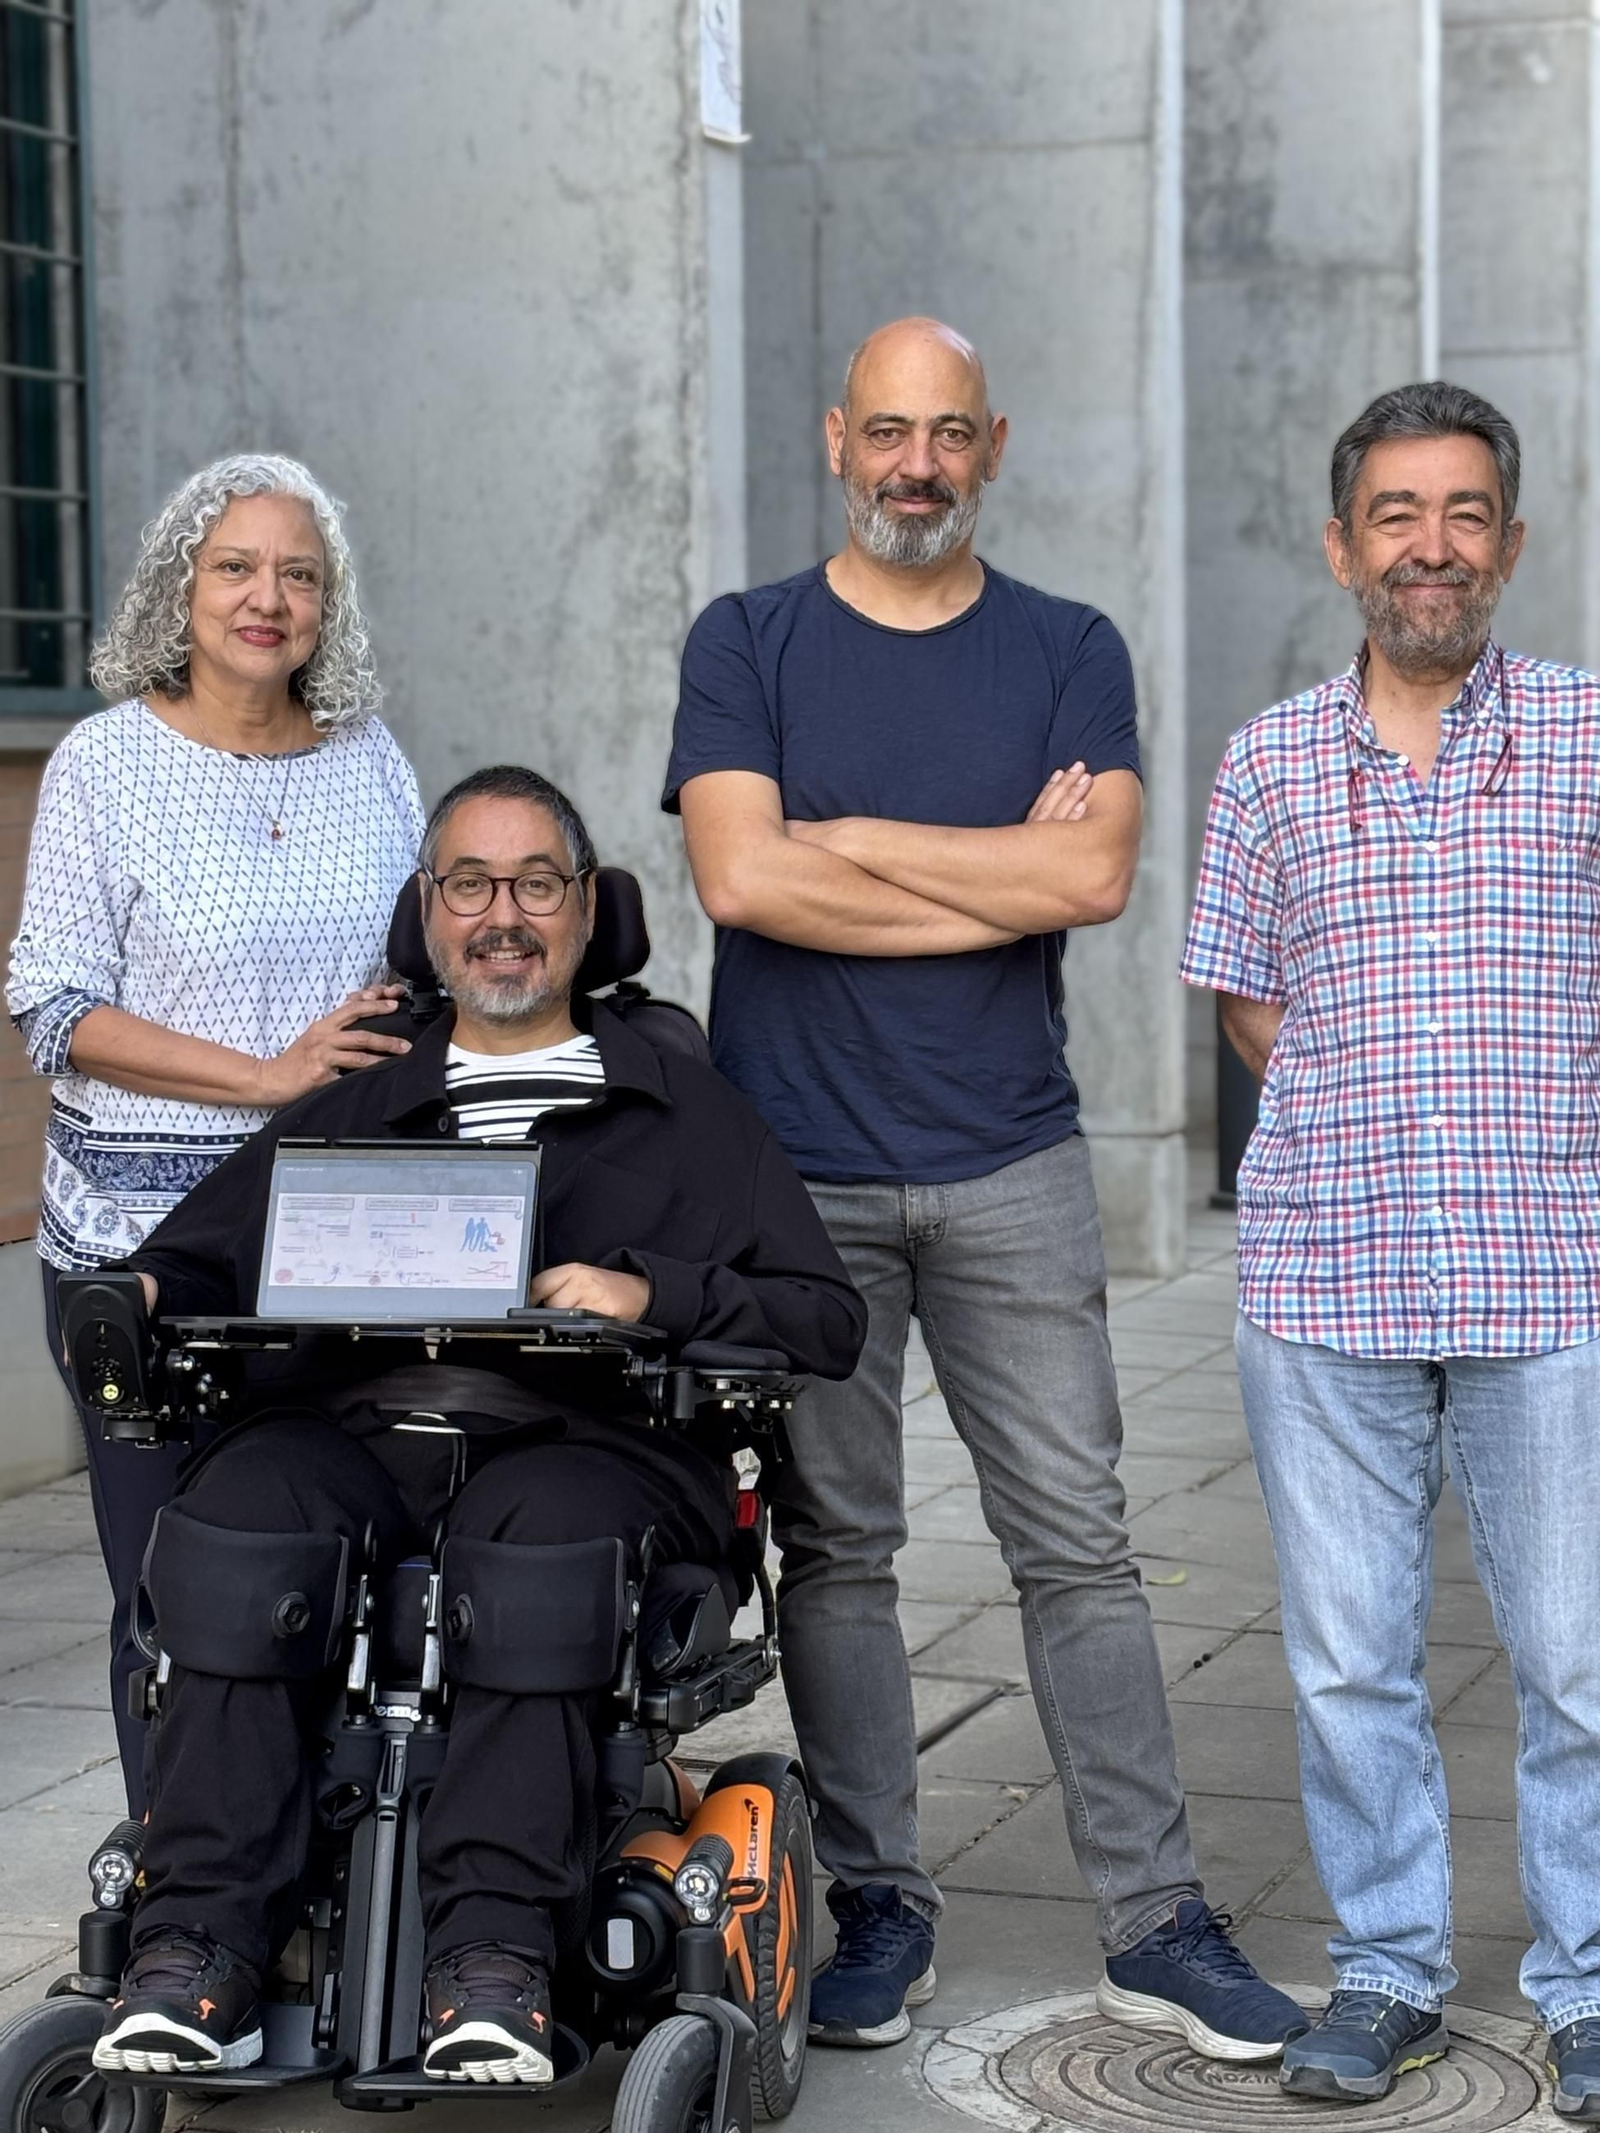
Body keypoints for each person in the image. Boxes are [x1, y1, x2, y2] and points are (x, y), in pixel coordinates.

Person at [664, 315, 1304, 2059]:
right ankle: (881, 1902)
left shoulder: (1068, 645)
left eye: (949, 433)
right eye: (888, 430)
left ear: (993, 444)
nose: (917, 464)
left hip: (1014, 1159)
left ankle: (1154, 1918)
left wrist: (844, 833)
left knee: (1080, 1549)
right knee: (841, 1552)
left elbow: (1094, 879)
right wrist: (984, 875)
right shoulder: (750, 639)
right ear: (836, 438)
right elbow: (739, 873)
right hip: (797, 1171)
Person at [87, 764, 865, 2086]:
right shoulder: (356, 1102)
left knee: (534, 1532)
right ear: (429, 913)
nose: (502, 914)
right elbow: (199, 1255)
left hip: (593, 1446)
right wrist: (145, 1290)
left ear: (586, 908)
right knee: (241, 1506)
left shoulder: (685, 1106)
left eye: (535, 883)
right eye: (470, 883)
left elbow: (822, 1317)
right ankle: (197, 1953)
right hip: (359, 1433)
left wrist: (649, 1289)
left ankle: (493, 1960)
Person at [1182, 381, 1600, 2118]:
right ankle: (1388, 1971)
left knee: (1576, 1659)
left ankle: (1586, 1984)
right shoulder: (1270, 762)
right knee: (1350, 1658)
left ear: (1511, 536)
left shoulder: (1586, 737)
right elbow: (1251, 1004)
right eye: (1399, 515)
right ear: (1344, 541)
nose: (1434, 545)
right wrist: (1381, 1115)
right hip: (1325, 1280)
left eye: (1466, 512)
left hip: (1550, 1275)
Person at [5, 453, 424, 1810]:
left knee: (322, 1582)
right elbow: (51, 1008)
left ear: (329, 604)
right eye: (235, 566)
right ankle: (186, 1908)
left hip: (331, 1245)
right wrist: (267, 1074)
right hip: (142, 1253)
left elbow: (418, 971)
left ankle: (317, 1892)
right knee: (172, 1596)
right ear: (180, 587)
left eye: (299, 573)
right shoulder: (105, 764)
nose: (268, 597)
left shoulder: (372, 761)